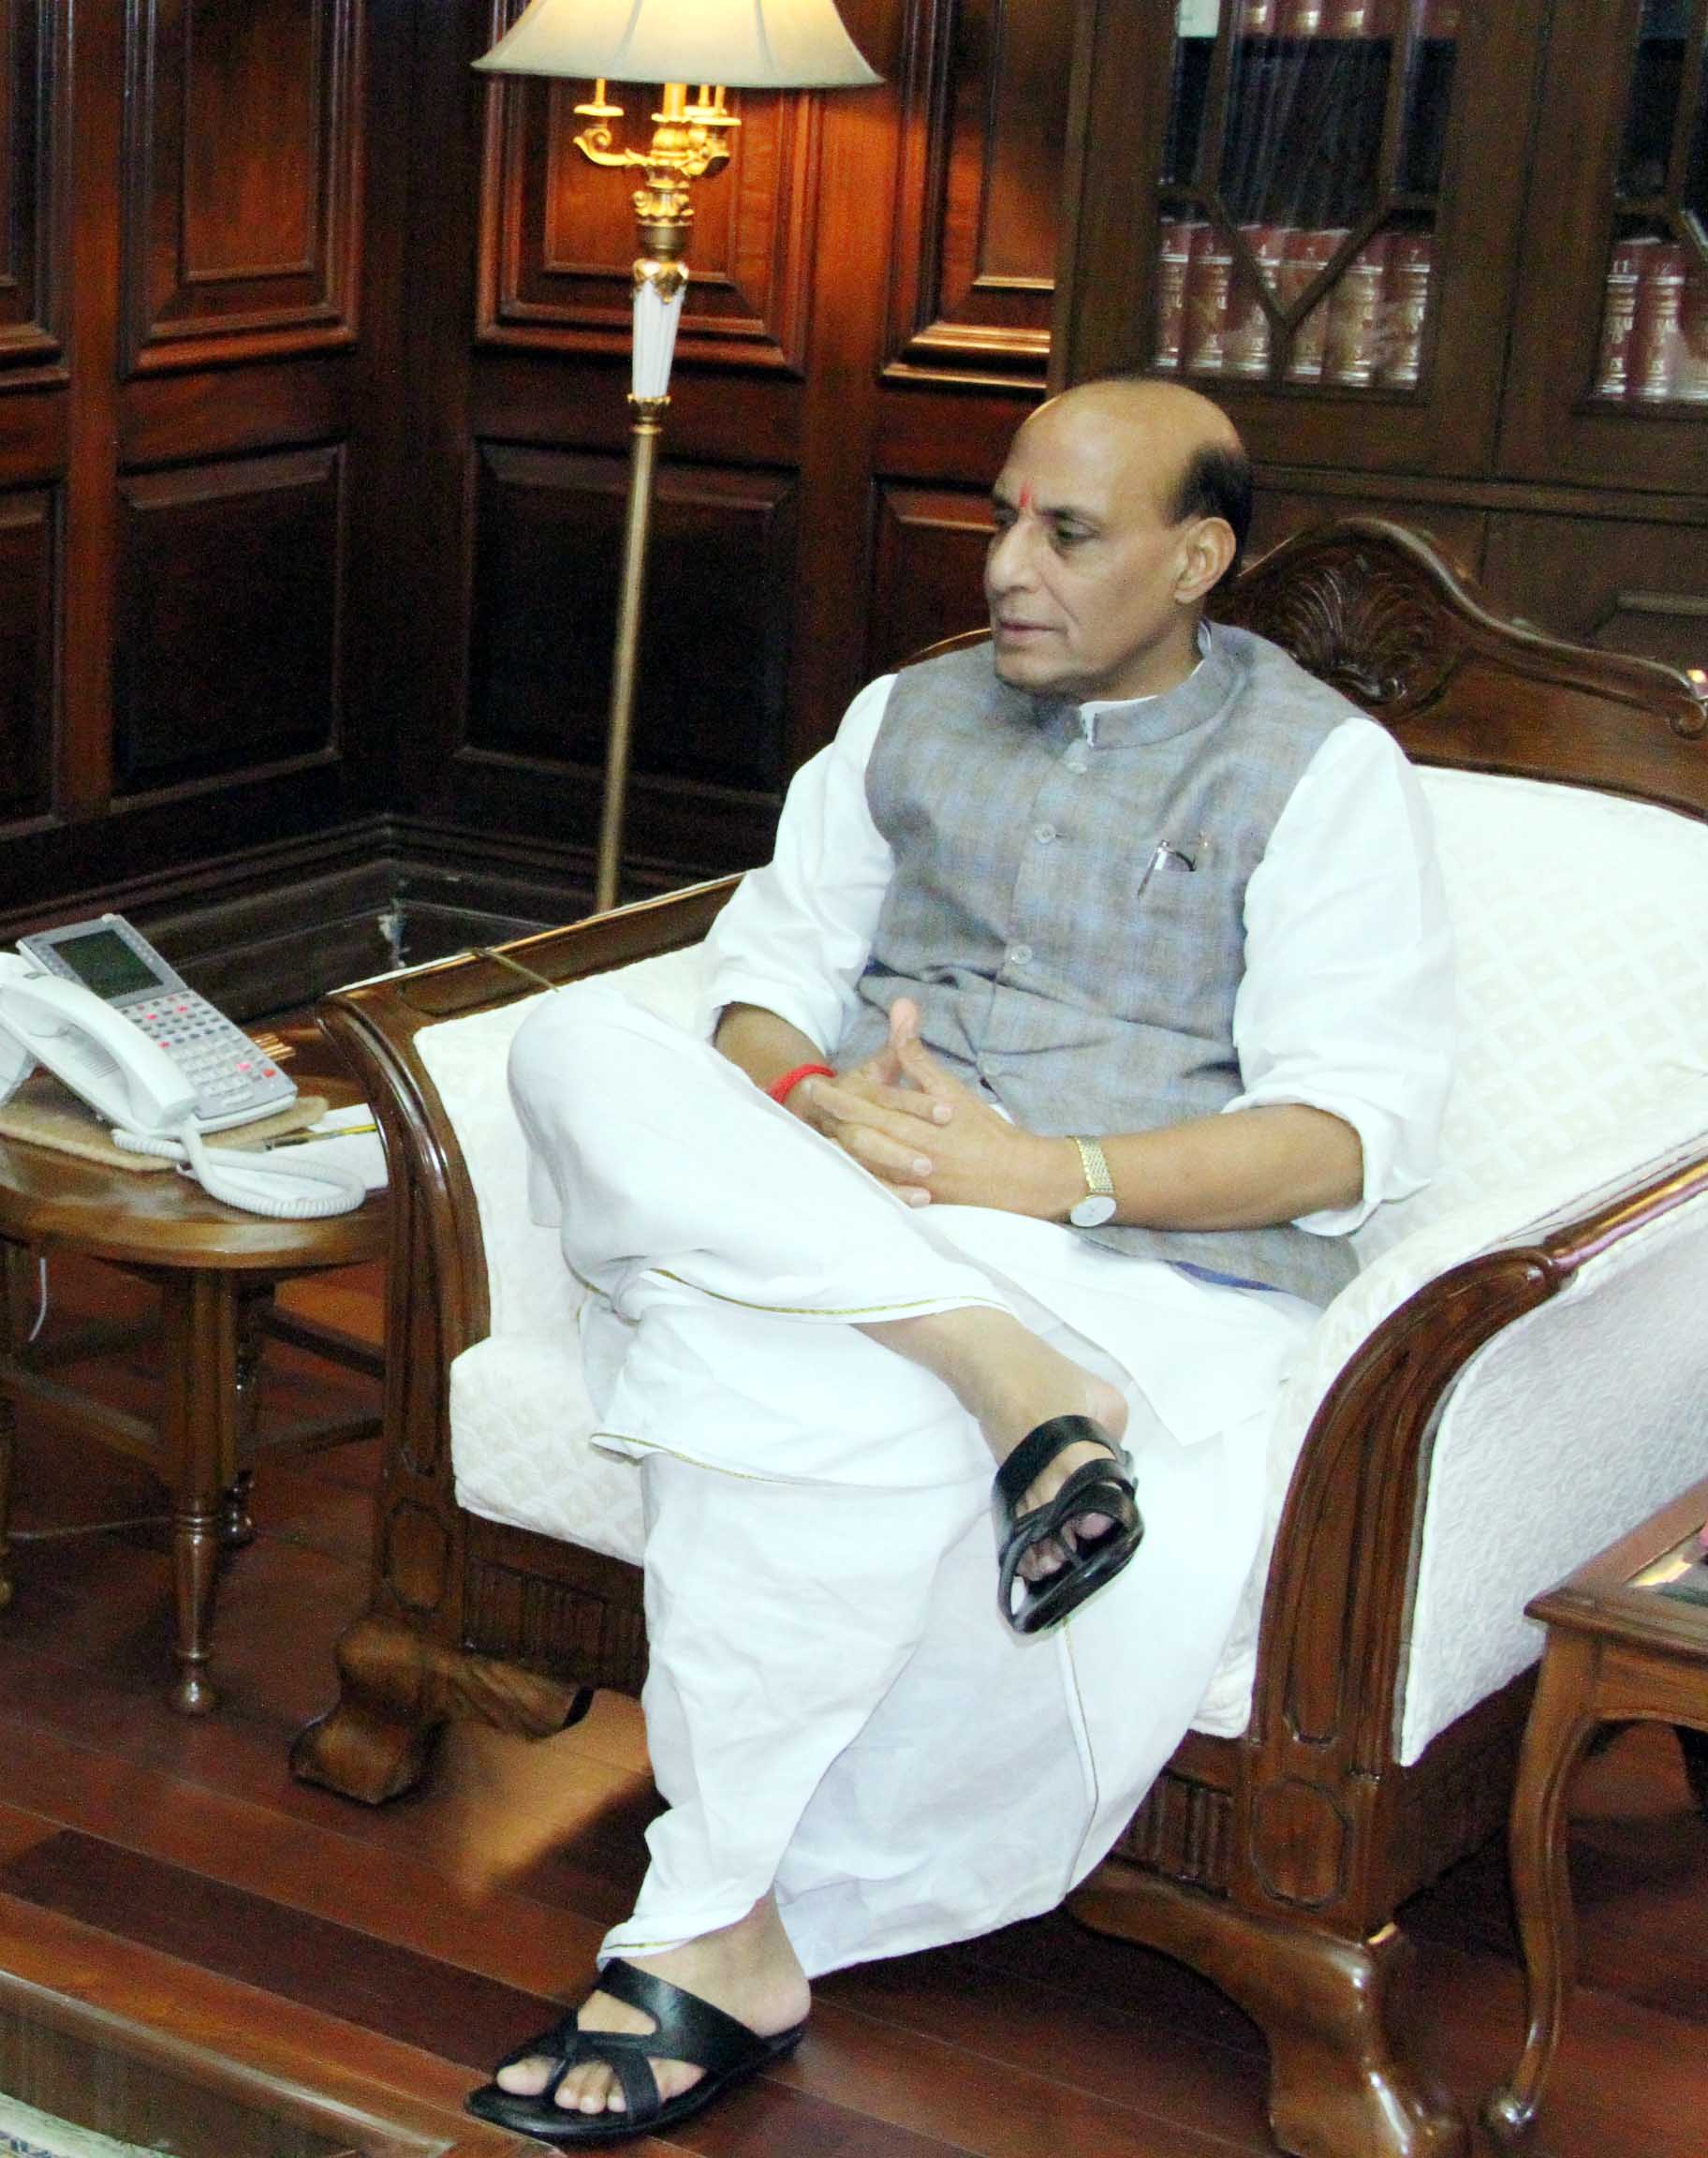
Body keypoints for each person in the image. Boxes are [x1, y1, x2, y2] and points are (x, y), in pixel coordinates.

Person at [473, 377, 1452, 2143]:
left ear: (1197, 558)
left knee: (766, 1381)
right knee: (566, 1048)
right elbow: (750, 992)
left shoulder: (1318, 773)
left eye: (1067, 534)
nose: (1007, 566)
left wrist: (1045, 1174)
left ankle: (711, 1934)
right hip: (865, 1210)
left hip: (1130, 1258)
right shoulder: (904, 716)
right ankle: (1003, 1377)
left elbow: (1348, 1140)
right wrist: (823, 1102)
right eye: (1004, 516)